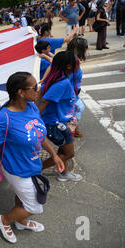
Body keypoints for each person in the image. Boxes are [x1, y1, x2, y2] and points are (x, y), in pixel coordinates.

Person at [0, 72, 64, 244]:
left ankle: (20, 221)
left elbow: (39, 135)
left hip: (32, 165)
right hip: (17, 169)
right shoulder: (3, 118)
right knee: (34, 206)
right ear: (20, 92)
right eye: (34, 87)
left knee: (22, 197)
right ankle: (3, 221)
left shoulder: (31, 107)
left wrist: (54, 154)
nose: (38, 90)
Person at [37, 51, 83, 182]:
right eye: (77, 62)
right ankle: (35, 171)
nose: (79, 63)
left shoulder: (59, 77)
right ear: (69, 66)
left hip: (63, 121)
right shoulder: (61, 83)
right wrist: (34, 120)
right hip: (57, 124)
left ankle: (63, 174)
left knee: (63, 151)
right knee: (69, 153)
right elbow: (44, 101)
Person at [66, 38, 88, 137]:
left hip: (73, 92)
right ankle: (70, 132)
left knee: (75, 110)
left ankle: (73, 129)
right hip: (69, 93)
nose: (87, 48)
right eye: (85, 47)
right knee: (78, 108)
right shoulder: (73, 62)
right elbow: (66, 79)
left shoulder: (72, 59)